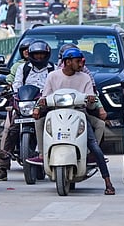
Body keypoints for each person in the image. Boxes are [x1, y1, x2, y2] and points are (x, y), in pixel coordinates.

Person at [31, 47, 116, 195]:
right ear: (68, 62)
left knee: (95, 144)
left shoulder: (85, 78)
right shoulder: (53, 76)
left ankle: (107, 181)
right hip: (56, 112)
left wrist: (92, 101)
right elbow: (44, 96)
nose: (81, 64)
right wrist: (38, 107)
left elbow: (91, 100)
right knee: (39, 123)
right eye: (78, 61)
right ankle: (42, 154)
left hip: (79, 113)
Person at [0, 40, 54, 182]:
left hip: (45, 107)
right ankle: (2, 167)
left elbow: (55, 86)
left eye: (42, 55)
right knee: (11, 131)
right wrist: (13, 94)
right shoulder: (23, 68)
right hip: (26, 105)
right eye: (36, 55)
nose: (39, 57)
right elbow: (17, 84)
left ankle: (56, 164)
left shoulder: (53, 69)